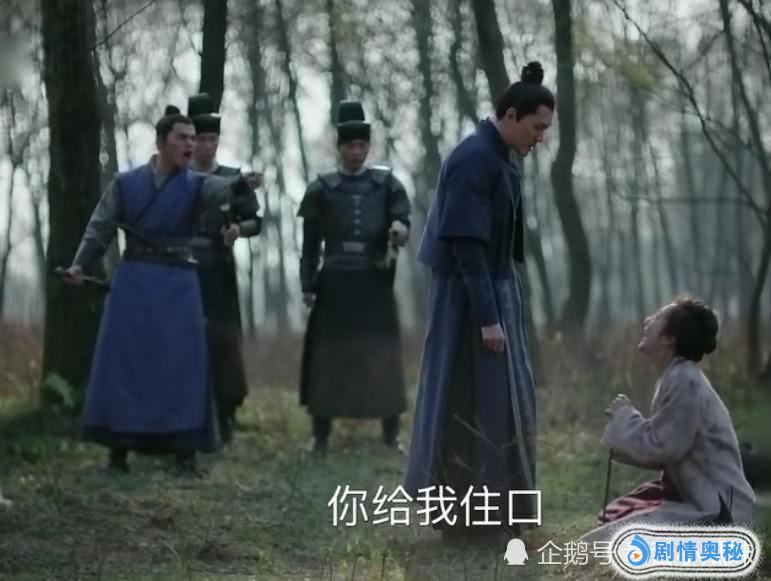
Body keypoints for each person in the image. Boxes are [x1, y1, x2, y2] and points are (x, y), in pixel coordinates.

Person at [62, 106, 262, 474]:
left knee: (183, 365)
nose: (190, 145)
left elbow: (220, 187)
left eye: (193, 139)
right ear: (160, 142)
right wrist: (80, 264)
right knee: (126, 363)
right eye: (182, 138)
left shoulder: (196, 184)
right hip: (134, 282)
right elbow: (100, 227)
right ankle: (118, 449)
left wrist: (240, 183)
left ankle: (184, 450)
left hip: (179, 284)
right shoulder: (125, 183)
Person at [403, 62, 555, 540]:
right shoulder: (474, 159)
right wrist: (489, 318)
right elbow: (467, 247)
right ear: (510, 116)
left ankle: (498, 513)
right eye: (536, 127)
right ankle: (465, 519)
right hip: (466, 299)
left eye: (545, 130)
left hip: (493, 290)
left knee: (500, 401)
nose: (540, 138)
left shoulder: (501, 155)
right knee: (466, 398)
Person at [581, 297, 755, 543]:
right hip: (708, 505)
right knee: (602, 537)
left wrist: (624, 416)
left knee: (598, 545)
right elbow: (666, 443)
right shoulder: (679, 376)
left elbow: (662, 446)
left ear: (668, 338)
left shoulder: (685, 380)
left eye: (656, 318)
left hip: (721, 514)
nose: (647, 321)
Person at [297, 100, 411, 454]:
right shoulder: (321, 188)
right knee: (329, 357)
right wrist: (307, 285)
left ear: (368, 147)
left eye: (362, 145)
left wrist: (398, 228)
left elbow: (401, 216)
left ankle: (390, 435)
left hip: (374, 283)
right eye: (350, 146)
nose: (356, 152)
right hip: (335, 284)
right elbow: (310, 245)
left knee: (382, 354)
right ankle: (320, 436)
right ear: (339, 147)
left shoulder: (386, 184)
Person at [187, 93, 262, 443]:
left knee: (224, 343)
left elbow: (256, 221)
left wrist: (238, 230)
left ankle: (227, 413)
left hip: (219, 270)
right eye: (200, 139)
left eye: (212, 139)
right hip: (184, 272)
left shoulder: (233, 178)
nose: (206, 146)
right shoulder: (179, 179)